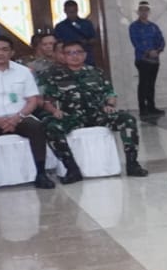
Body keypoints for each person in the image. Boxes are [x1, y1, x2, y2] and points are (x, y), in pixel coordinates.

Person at [40, 40, 147, 179]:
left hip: (98, 115)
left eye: (78, 52)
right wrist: (54, 111)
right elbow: (47, 101)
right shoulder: (54, 75)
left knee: (127, 119)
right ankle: (71, 168)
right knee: (51, 126)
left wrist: (110, 105)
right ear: (64, 56)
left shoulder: (96, 72)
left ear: (84, 55)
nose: (74, 56)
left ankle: (132, 164)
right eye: (69, 53)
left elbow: (110, 93)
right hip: (71, 117)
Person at [0, 38, 59, 194]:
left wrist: (17, 118)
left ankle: (41, 174)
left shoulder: (24, 72)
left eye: (5, 49)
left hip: (20, 116)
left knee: (36, 127)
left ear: (12, 52)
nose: (0, 53)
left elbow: (32, 100)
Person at [129, 0, 165, 120]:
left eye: (146, 10)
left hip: (155, 60)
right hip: (142, 59)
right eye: (142, 10)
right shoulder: (134, 26)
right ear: (138, 12)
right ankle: (142, 109)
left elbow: (161, 40)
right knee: (143, 84)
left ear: (149, 12)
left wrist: (158, 50)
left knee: (151, 84)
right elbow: (136, 43)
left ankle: (151, 107)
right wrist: (148, 52)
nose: (144, 12)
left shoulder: (154, 26)